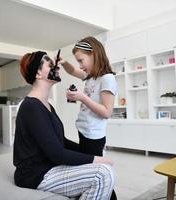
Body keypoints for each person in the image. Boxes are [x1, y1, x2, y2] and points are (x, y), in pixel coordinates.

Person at [13, 51, 115, 200]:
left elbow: (62, 142)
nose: (56, 67)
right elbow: (57, 154)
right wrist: (96, 159)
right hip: (35, 174)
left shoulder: (47, 105)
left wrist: (89, 153)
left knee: (102, 166)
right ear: (38, 74)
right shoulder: (30, 106)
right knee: (102, 174)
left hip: (50, 166)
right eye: (50, 64)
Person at [60, 36, 118, 199]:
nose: (80, 65)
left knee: (97, 174)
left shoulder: (107, 78)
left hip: (94, 135)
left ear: (93, 54)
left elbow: (107, 112)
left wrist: (82, 97)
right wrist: (64, 62)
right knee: (92, 172)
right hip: (84, 131)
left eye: (81, 60)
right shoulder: (91, 76)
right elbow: (72, 71)